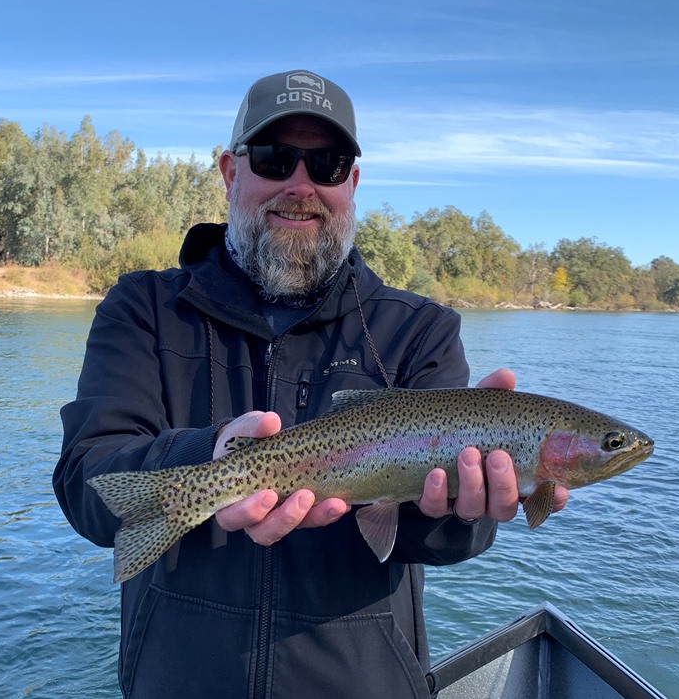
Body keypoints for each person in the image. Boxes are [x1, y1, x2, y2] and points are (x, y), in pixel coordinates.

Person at [53, 69, 567, 699]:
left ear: (351, 183)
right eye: (274, 158)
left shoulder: (421, 330)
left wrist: (466, 513)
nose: (300, 185)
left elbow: (448, 536)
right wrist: (206, 461)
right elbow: (88, 483)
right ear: (229, 172)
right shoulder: (143, 309)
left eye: (326, 163)